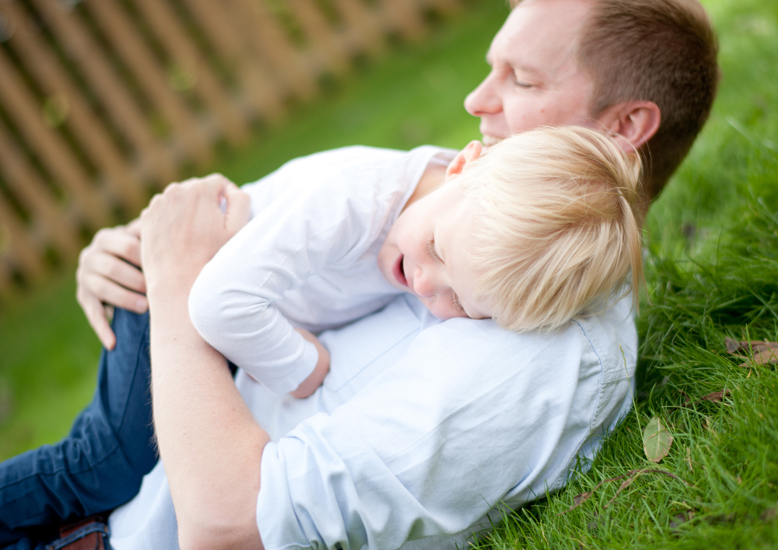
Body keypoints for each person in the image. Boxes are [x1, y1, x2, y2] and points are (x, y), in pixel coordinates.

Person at [4, 0, 720, 548]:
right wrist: (130, 255)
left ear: (624, 129)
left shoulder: (537, 353)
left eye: (522, 79)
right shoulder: (446, 194)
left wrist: (172, 283)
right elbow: (212, 236)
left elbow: (231, 528)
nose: (476, 101)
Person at [189, 128, 643, 398]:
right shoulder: (349, 200)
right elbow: (216, 303)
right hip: (156, 303)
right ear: (462, 166)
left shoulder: (456, 216)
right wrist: (305, 369)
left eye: (462, 304)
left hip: (217, 324)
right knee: (115, 463)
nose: (427, 285)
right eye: (438, 248)